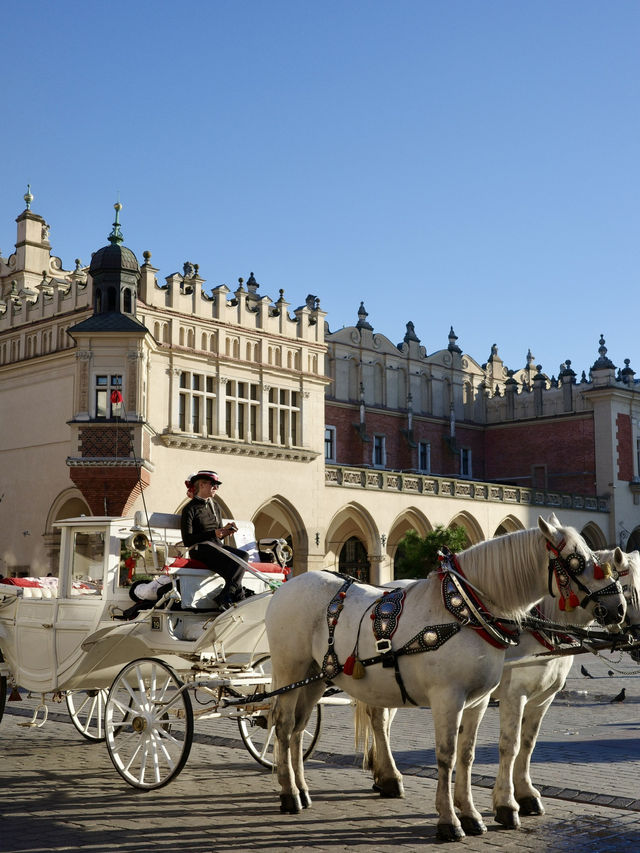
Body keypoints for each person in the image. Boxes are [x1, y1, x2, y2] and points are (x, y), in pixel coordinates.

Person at [180, 470, 247, 608]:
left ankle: (229, 594)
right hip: (200, 550)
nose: (216, 488)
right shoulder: (189, 509)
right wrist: (214, 533)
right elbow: (187, 540)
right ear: (202, 485)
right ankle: (236, 595)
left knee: (243, 556)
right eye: (213, 484)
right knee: (236, 564)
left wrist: (226, 531)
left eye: (217, 485)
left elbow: (218, 532)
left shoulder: (215, 505)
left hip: (217, 547)